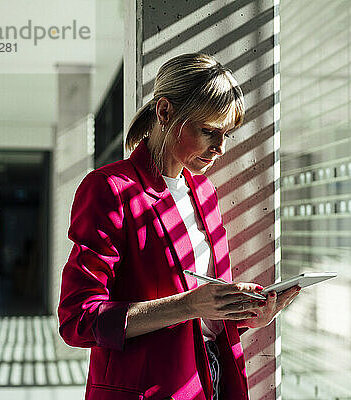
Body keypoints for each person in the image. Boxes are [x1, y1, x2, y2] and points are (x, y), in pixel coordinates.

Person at [58, 53, 300, 400]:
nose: (220, 148)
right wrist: (189, 304)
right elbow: (77, 320)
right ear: (165, 112)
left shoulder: (204, 193)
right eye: (209, 132)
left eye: (226, 134)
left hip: (211, 380)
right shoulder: (110, 189)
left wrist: (246, 314)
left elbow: (203, 319)